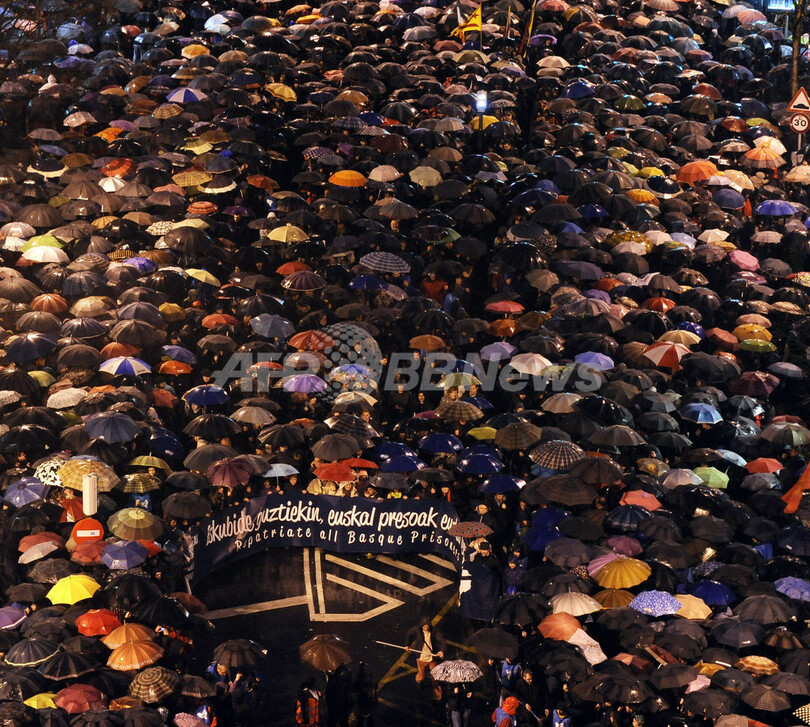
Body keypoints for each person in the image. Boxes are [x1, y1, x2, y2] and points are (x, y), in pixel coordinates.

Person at [405, 616, 446, 701]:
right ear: (421, 625)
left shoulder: (434, 631)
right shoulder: (417, 629)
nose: (426, 628)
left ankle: (438, 697)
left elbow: (442, 641)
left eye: (427, 626)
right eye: (424, 626)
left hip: (431, 658)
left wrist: (442, 651)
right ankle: (419, 684)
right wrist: (407, 644)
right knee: (421, 676)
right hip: (421, 659)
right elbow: (409, 633)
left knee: (436, 676)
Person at [352, 662, 377, 727]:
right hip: (370, 706)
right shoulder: (372, 681)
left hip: (360, 707)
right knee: (370, 721)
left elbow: (353, 692)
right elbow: (375, 688)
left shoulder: (356, 682)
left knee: (360, 722)